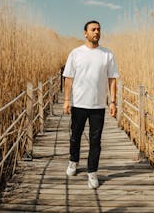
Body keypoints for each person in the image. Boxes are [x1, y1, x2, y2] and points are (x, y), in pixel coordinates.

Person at [63, 20, 119, 189]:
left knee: (95, 141)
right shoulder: (76, 53)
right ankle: (73, 162)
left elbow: (112, 80)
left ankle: (92, 173)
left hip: (98, 106)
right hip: (79, 103)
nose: (96, 32)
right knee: (75, 136)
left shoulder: (107, 55)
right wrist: (67, 100)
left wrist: (113, 102)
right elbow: (68, 78)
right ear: (85, 33)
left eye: (99, 29)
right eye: (93, 29)